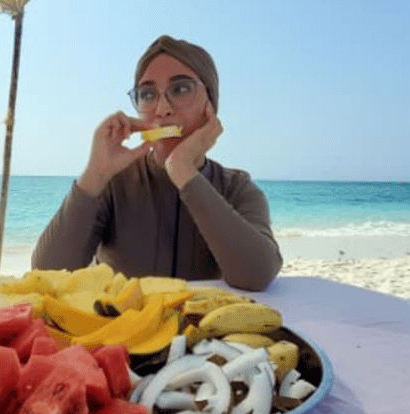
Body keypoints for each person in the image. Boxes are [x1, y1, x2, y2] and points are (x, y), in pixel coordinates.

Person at [31, 35, 282, 291]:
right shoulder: (113, 183)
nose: (161, 109)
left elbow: (257, 275)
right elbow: (47, 276)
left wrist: (183, 170)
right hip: (123, 328)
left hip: (203, 329)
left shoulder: (237, 187)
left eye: (181, 89)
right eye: (148, 94)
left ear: (211, 106)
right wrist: (94, 174)